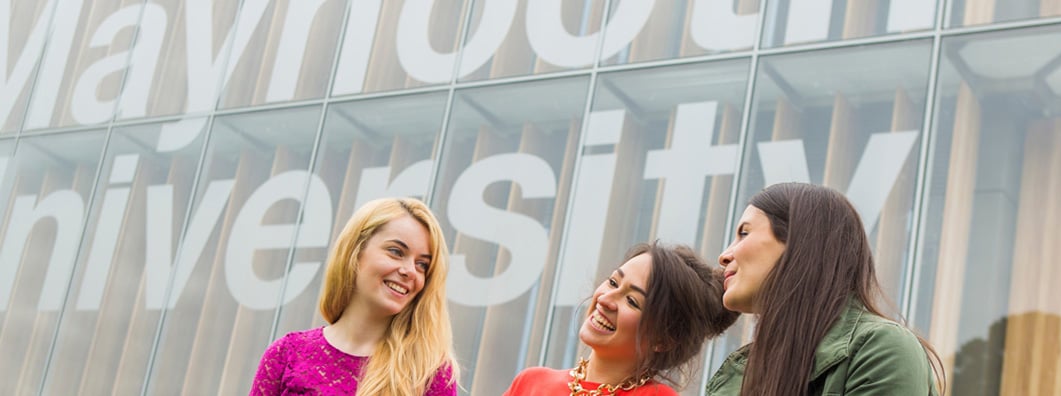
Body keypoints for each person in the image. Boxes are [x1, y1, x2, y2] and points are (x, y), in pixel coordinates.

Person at [706, 182, 944, 396]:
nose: (724, 256)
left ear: (799, 244)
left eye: (744, 233)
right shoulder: (739, 374)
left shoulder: (881, 349)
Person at [251, 197, 458, 396]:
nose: (410, 271)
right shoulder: (285, 354)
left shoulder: (430, 373)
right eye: (396, 251)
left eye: (422, 264)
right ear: (355, 252)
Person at [505, 242, 739, 395]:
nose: (606, 299)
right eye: (613, 282)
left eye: (632, 301)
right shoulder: (530, 383)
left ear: (664, 339)